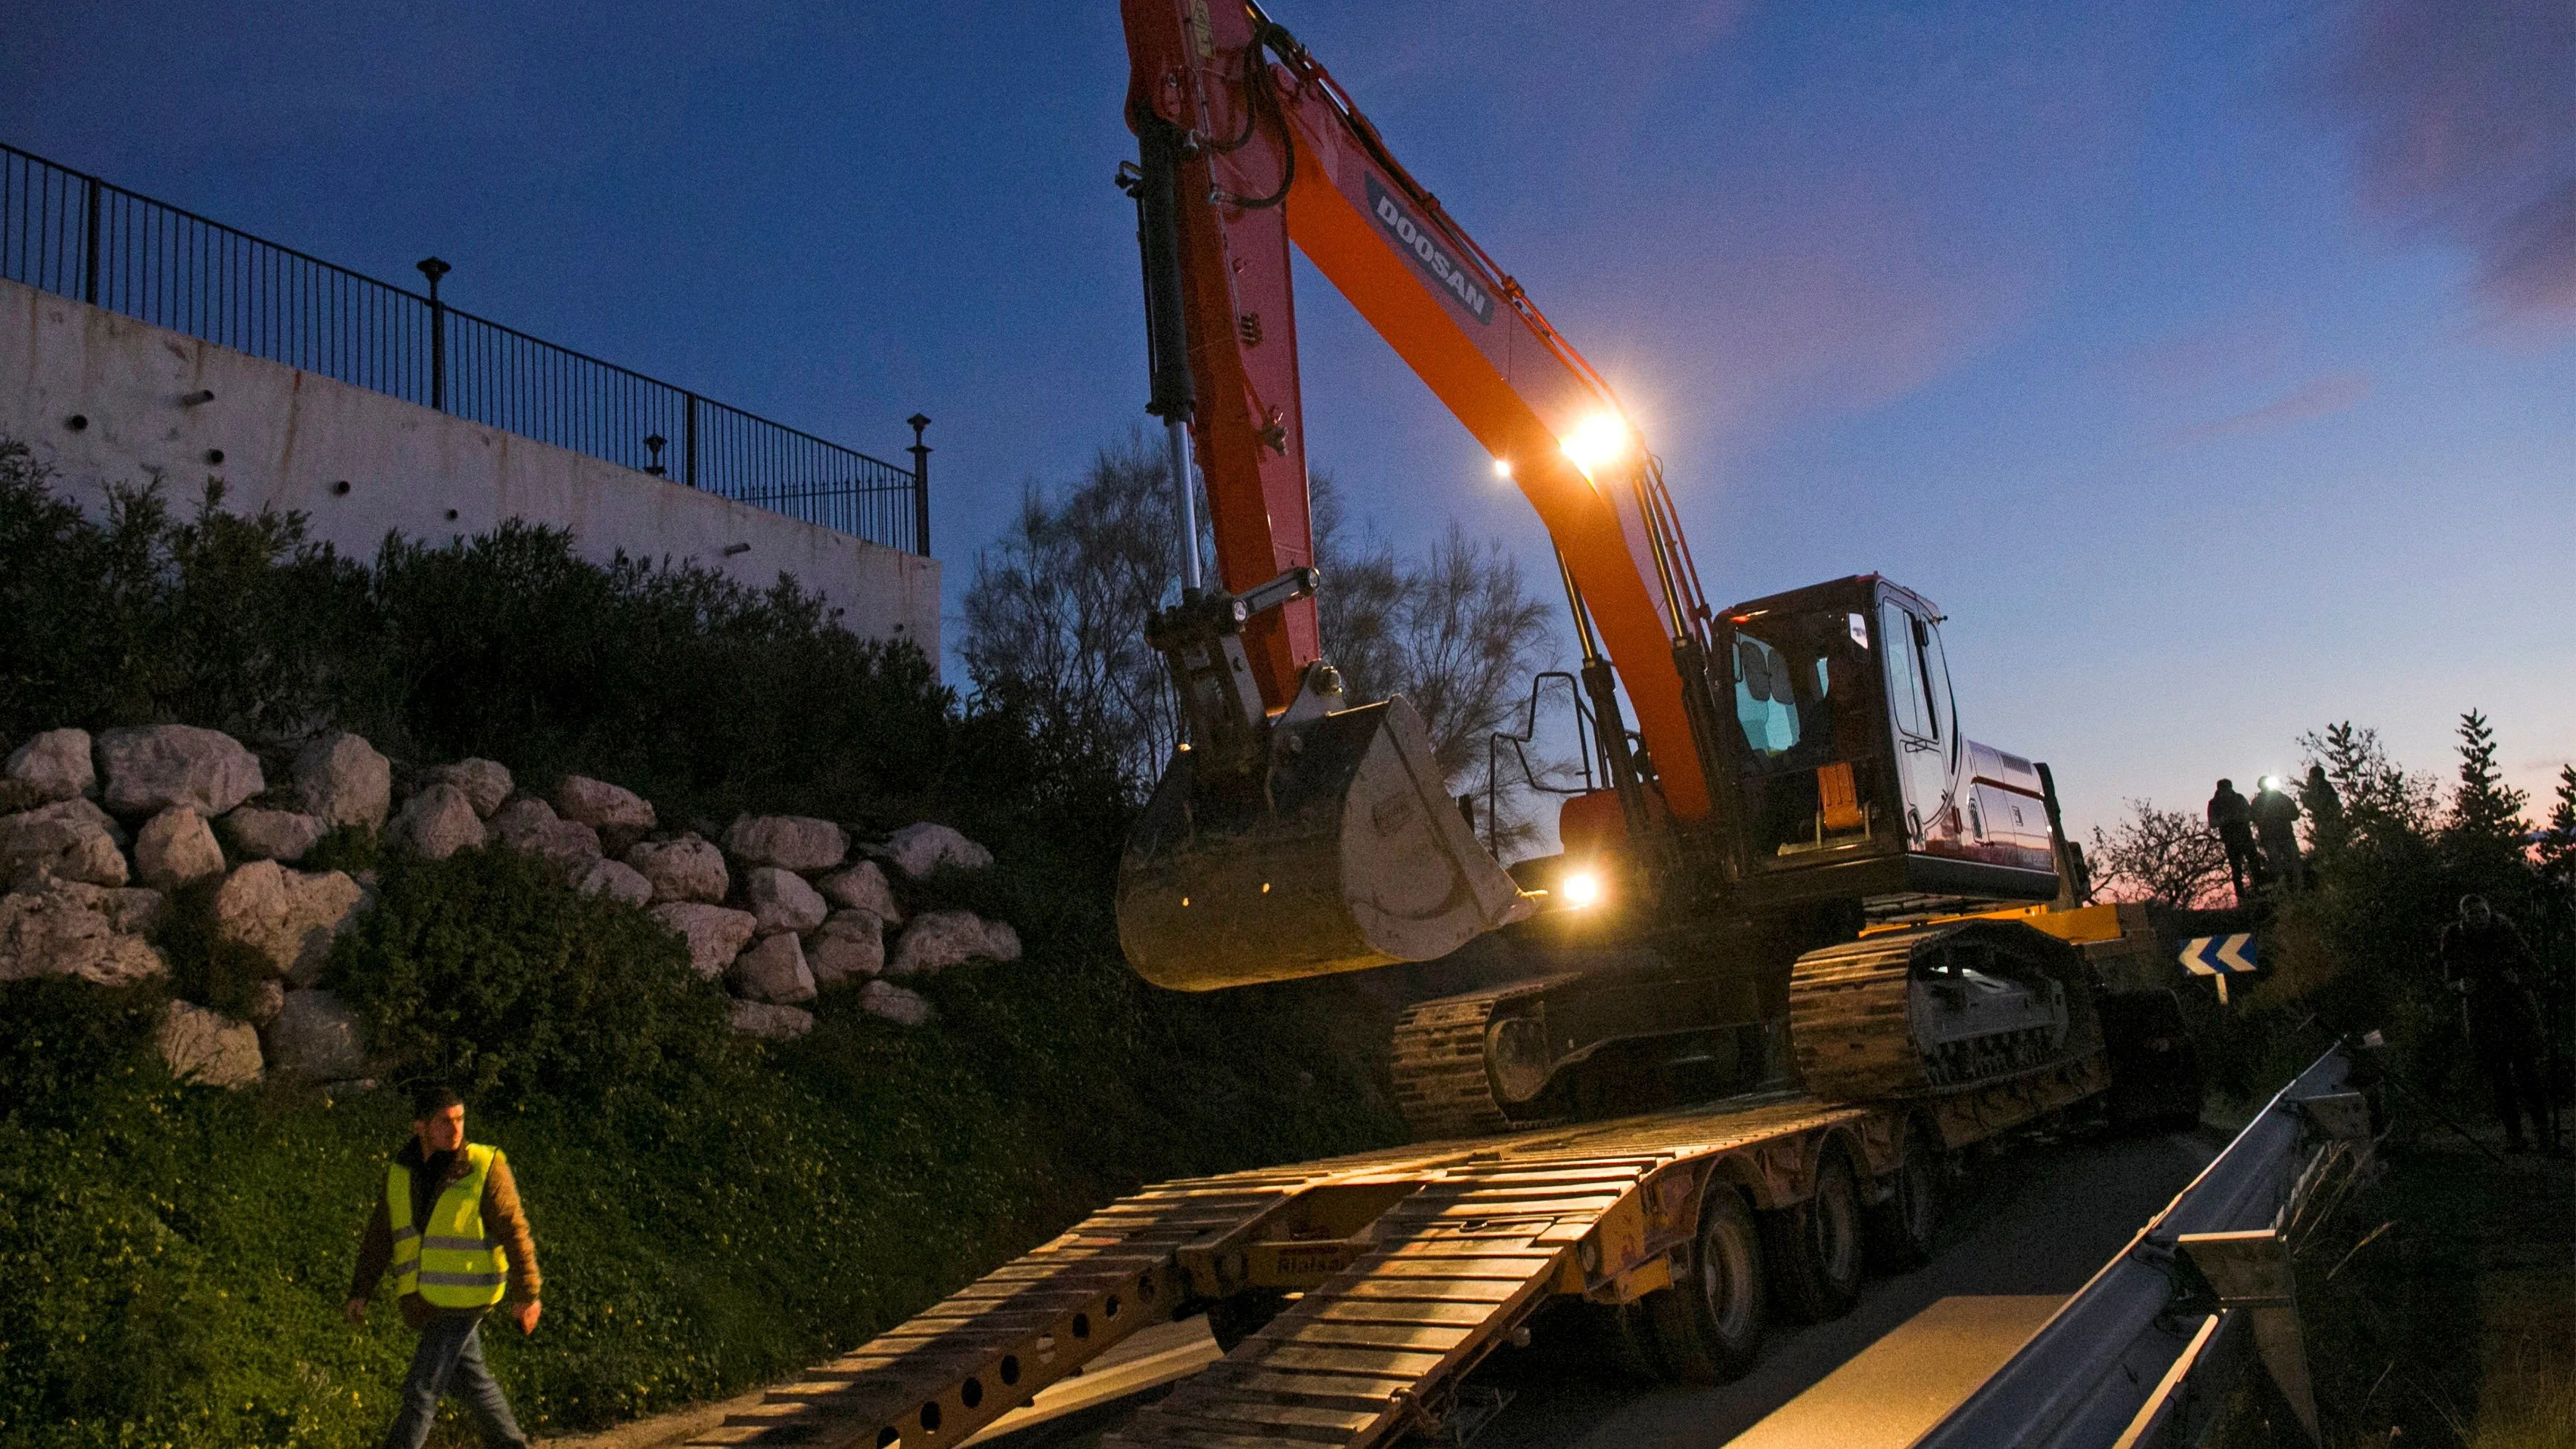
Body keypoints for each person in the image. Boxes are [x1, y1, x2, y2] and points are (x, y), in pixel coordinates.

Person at [348, 1085, 544, 1448]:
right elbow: (380, 1235)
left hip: (467, 1296)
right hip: (428, 1299)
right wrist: (361, 1290)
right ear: (419, 1126)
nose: (456, 1130)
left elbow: (514, 1230)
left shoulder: (483, 1165)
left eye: (460, 1119)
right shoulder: (401, 1173)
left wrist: (528, 1293)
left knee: (421, 1389)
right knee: (471, 1380)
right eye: (445, 1121)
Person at [2440, 896, 2559, 1153]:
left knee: (2529, 1076)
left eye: (2482, 913)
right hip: (2484, 1017)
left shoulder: (2506, 934)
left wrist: (2517, 979)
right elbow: (2450, 980)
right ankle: (2515, 1136)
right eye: (2472, 914)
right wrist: (2461, 986)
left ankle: (2543, 1134)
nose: (2479, 918)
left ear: (2489, 912)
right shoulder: (2457, 942)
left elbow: (2535, 970)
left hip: (2517, 1014)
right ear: (2464, 917)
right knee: (2500, 1080)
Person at [2207, 778, 2258, 903]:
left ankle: (2261, 891)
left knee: (2254, 865)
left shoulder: (2239, 798)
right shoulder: (2214, 803)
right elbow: (2212, 822)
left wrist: (2240, 817)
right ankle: (2242, 898)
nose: (2226, 791)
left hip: (2245, 836)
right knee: (2237, 869)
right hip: (2230, 839)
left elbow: (2250, 814)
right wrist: (2225, 820)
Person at [2251, 776, 2304, 891]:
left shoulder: (2279, 798)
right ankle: (2289, 892)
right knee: (2281, 865)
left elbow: (2295, 815)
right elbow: (2256, 819)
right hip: (2274, 837)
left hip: (2281, 836)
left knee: (2290, 864)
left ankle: (2295, 890)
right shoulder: (2261, 802)